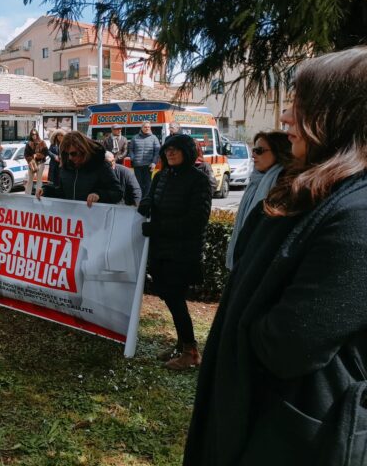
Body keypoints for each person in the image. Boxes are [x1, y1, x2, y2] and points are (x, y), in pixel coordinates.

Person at [184, 47, 367, 466]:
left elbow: (289, 343)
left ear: (342, 115)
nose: (285, 118)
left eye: (302, 105)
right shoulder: (313, 190)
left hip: (293, 431)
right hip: (254, 408)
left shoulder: (357, 213)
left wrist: (248, 327)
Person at [137, 134, 212, 370]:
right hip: (160, 249)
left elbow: (197, 220)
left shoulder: (199, 180)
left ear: (187, 152)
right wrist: (146, 203)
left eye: (176, 149)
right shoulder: (161, 176)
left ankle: (191, 351)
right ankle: (182, 345)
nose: (170, 153)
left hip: (183, 252)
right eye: (167, 149)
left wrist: (158, 227)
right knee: (169, 296)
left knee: (176, 298)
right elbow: (151, 197)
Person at [224, 130, 292, 270]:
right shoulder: (256, 180)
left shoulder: (284, 184)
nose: (253, 155)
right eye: (254, 150)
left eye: (259, 151)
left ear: (278, 152)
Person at [37, 131, 123, 207]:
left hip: (95, 218)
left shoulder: (101, 165)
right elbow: (62, 192)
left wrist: (99, 195)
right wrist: (46, 191)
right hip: (73, 218)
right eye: (66, 154)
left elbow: (118, 193)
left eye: (73, 153)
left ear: (83, 150)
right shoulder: (66, 167)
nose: (70, 157)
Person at [129, 121, 160, 198]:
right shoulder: (135, 137)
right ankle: (138, 198)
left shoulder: (154, 138)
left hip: (148, 165)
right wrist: (133, 158)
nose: (147, 128)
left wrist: (154, 163)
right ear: (141, 128)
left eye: (148, 127)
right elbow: (131, 149)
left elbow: (157, 152)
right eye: (145, 127)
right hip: (137, 165)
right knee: (138, 183)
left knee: (147, 184)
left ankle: (146, 199)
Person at [24, 128, 49, 196]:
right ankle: (27, 195)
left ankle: (38, 195)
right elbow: (26, 155)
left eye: (35, 134)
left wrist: (38, 155)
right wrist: (31, 158)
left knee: (39, 179)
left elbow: (46, 152)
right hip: (32, 163)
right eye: (32, 134)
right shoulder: (28, 144)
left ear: (37, 134)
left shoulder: (42, 142)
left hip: (40, 163)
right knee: (30, 179)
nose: (34, 135)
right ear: (31, 135)